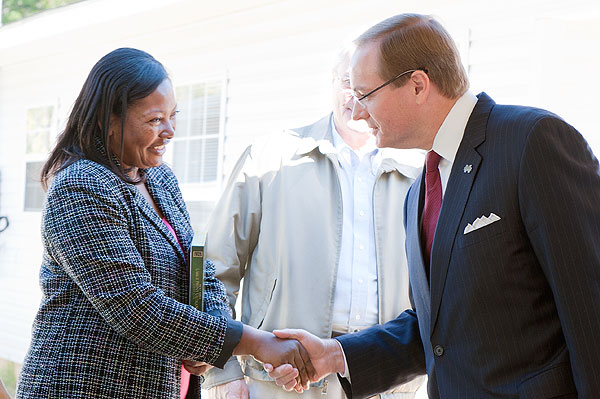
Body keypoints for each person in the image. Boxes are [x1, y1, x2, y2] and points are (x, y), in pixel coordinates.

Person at [267, 13, 600, 398]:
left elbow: (589, 304)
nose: (357, 113)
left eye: (365, 95)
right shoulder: (418, 194)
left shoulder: (531, 142)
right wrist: (335, 355)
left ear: (418, 85)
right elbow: (438, 329)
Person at [15, 47, 313, 399]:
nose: (170, 131)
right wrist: (250, 341)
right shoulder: (81, 186)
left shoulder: (159, 179)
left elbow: (198, 266)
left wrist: (211, 336)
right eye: (155, 119)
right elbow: (134, 306)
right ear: (105, 120)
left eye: (174, 116)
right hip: (86, 386)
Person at [202, 47, 425, 399]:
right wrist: (223, 370)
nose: (358, 95)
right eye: (349, 82)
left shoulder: (421, 173)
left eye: (372, 85)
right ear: (332, 84)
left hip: (385, 383)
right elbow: (215, 269)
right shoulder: (268, 158)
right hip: (281, 380)